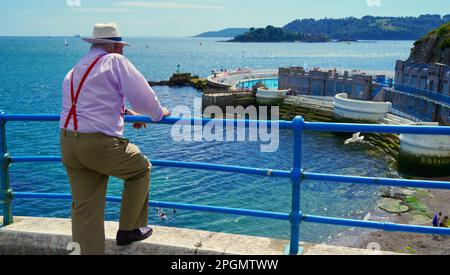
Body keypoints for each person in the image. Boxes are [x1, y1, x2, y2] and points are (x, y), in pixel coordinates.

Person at [60, 23, 170, 255]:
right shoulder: (114, 61)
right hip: (98, 144)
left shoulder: (76, 69)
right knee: (140, 169)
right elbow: (143, 96)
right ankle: (129, 229)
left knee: (85, 208)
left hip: (69, 142)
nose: (122, 51)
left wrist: (126, 113)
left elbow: (88, 104)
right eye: (120, 46)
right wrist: (159, 114)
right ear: (114, 45)